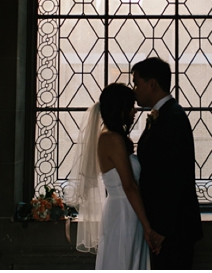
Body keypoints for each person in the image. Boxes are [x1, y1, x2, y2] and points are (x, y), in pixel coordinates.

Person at [70, 83, 165, 269]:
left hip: (127, 209)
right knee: (122, 260)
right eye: (131, 106)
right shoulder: (112, 139)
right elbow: (129, 186)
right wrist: (148, 227)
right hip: (124, 212)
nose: (135, 110)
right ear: (120, 108)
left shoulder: (114, 137)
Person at [132, 57, 203, 269]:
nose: (134, 89)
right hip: (164, 227)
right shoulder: (163, 115)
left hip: (173, 230)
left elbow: (175, 177)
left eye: (137, 83)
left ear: (152, 83)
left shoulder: (173, 118)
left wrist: (162, 230)